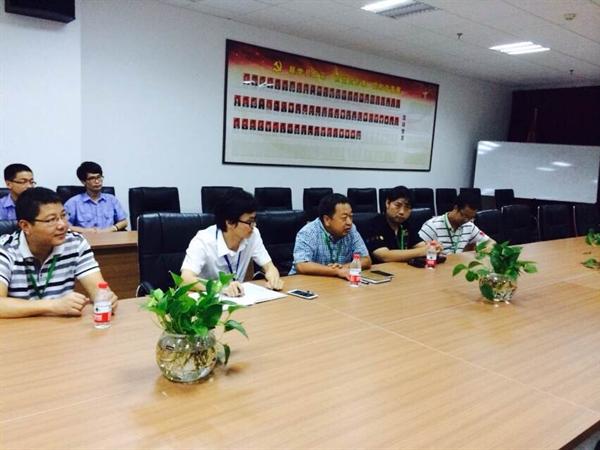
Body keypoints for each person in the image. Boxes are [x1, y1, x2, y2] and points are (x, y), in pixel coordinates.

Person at [0, 187, 118, 318]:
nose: (62, 225)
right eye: (51, 220)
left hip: (61, 325)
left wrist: (104, 297)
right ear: (25, 226)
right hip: (18, 327)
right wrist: (52, 305)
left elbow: (97, 287)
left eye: (63, 216)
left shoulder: (75, 242)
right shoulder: (5, 248)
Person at [181, 190, 283, 297]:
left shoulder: (253, 234)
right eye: (249, 222)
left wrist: (273, 277)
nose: (253, 226)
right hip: (209, 300)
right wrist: (220, 287)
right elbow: (185, 279)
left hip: (238, 298)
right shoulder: (203, 240)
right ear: (229, 222)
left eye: (254, 220)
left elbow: (269, 266)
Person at [291, 193, 371, 278]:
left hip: (335, 281)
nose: (349, 222)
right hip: (304, 282)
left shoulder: (351, 229)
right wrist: (336, 271)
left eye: (351, 217)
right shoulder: (308, 232)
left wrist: (343, 268)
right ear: (327, 220)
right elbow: (301, 265)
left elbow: (366, 260)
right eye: (344, 218)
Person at [365, 185, 442, 263]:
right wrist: (423, 251)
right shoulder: (373, 224)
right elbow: (384, 256)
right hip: (381, 269)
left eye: (407, 207)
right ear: (387, 203)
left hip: (403, 269)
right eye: (397, 205)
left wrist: (433, 247)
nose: (402, 212)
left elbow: (421, 245)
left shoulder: (406, 224)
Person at [418, 192, 495, 254]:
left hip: (457, 265)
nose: (466, 220)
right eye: (464, 215)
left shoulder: (469, 226)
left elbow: (491, 242)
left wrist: (485, 248)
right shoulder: (432, 225)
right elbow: (417, 251)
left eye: (470, 218)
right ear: (455, 208)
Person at [64, 161, 128, 233]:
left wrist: (110, 229)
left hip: (109, 238)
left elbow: (124, 222)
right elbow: (64, 225)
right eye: (92, 178)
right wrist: (84, 231)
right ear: (83, 182)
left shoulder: (111, 199)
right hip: (85, 238)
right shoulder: (73, 203)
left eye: (99, 177)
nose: (97, 181)